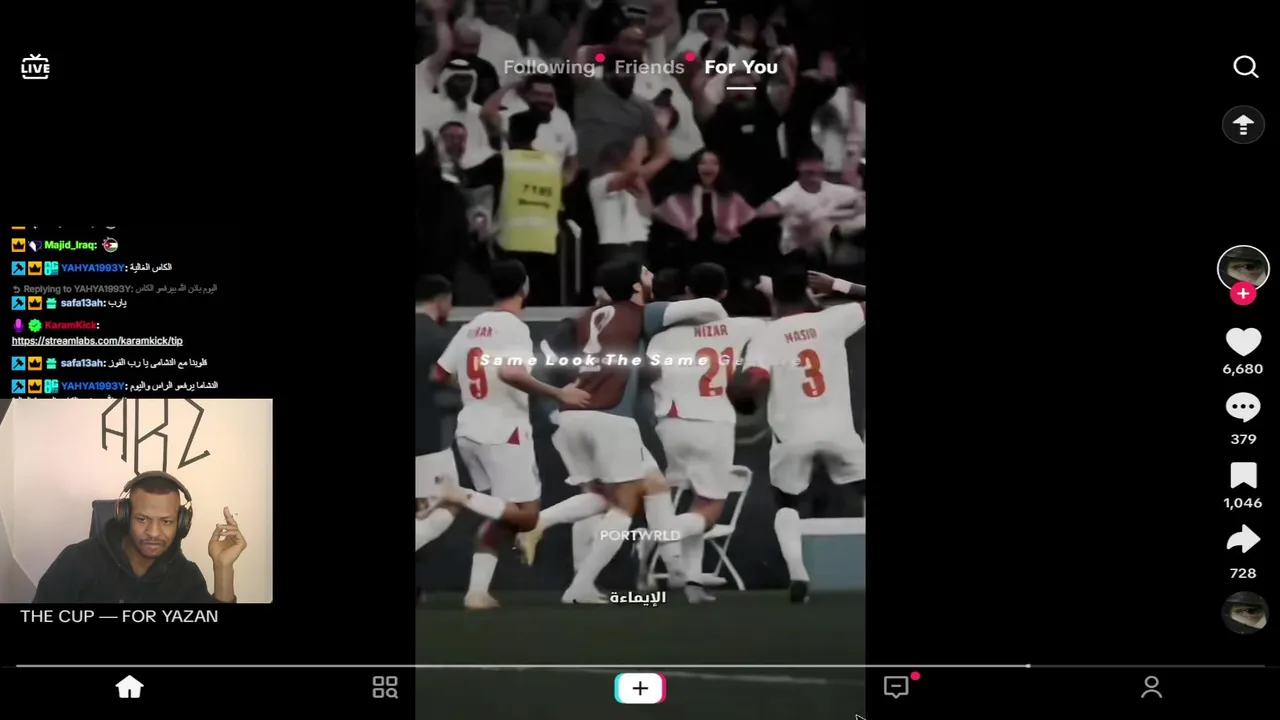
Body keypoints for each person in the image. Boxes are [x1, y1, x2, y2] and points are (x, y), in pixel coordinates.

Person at [542, 257, 729, 604]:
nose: (651, 275)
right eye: (645, 272)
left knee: (646, 486)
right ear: (633, 285)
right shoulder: (641, 314)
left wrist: (557, 399)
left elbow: (551, 362)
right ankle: (577, 574)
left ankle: (673, 568)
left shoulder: (586, 317)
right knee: (619, 504)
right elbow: (708, 307)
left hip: (572, 415)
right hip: (609, 418)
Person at [433, 260, 591, 609]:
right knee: (528, 517)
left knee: (502, 513)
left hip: (469, 429)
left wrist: (471, 386)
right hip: (504, 431)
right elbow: (511, 373)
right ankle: (459, 495)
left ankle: (477, 592)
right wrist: (559, 393)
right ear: (525, 287)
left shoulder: (472, 326)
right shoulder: (514, 327)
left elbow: (440, 373)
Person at [729, 266, 865, 604]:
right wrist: (839, 285)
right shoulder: (833, 320)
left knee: (787, 502)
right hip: (839, 431)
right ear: (808, 292)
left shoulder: (767, 335)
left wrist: (739, 394)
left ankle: (798, 574)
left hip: (792, 434)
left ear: (774, 296)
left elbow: (755, 380)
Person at [639, 262, 767, 602]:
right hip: (713, 421)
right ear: (724, 293)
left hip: (671, 421)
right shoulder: (744, 326)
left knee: (691, 501)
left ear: (688, 293)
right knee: (709, 509)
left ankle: (693, 583)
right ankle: (656, 537)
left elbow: (649, 376)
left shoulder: (663, 337)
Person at [33, 471, 245, 603]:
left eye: (166, 521)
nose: (153, 532)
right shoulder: (76, 561)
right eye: (142, 519)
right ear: (125, 517)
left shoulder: (185, 577)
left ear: (182, 524)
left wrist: (223, 568)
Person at [496, 111, 562, 305]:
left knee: (512, 302)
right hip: (545, 242)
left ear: (511, 135)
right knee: (542, 305)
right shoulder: (552, 163)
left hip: (511, 241)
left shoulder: (505, 161)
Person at [415, 275, 460, 551]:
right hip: (423, 433)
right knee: (447, 503)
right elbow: (451, 379)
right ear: (442, 300)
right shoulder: (438, 337)